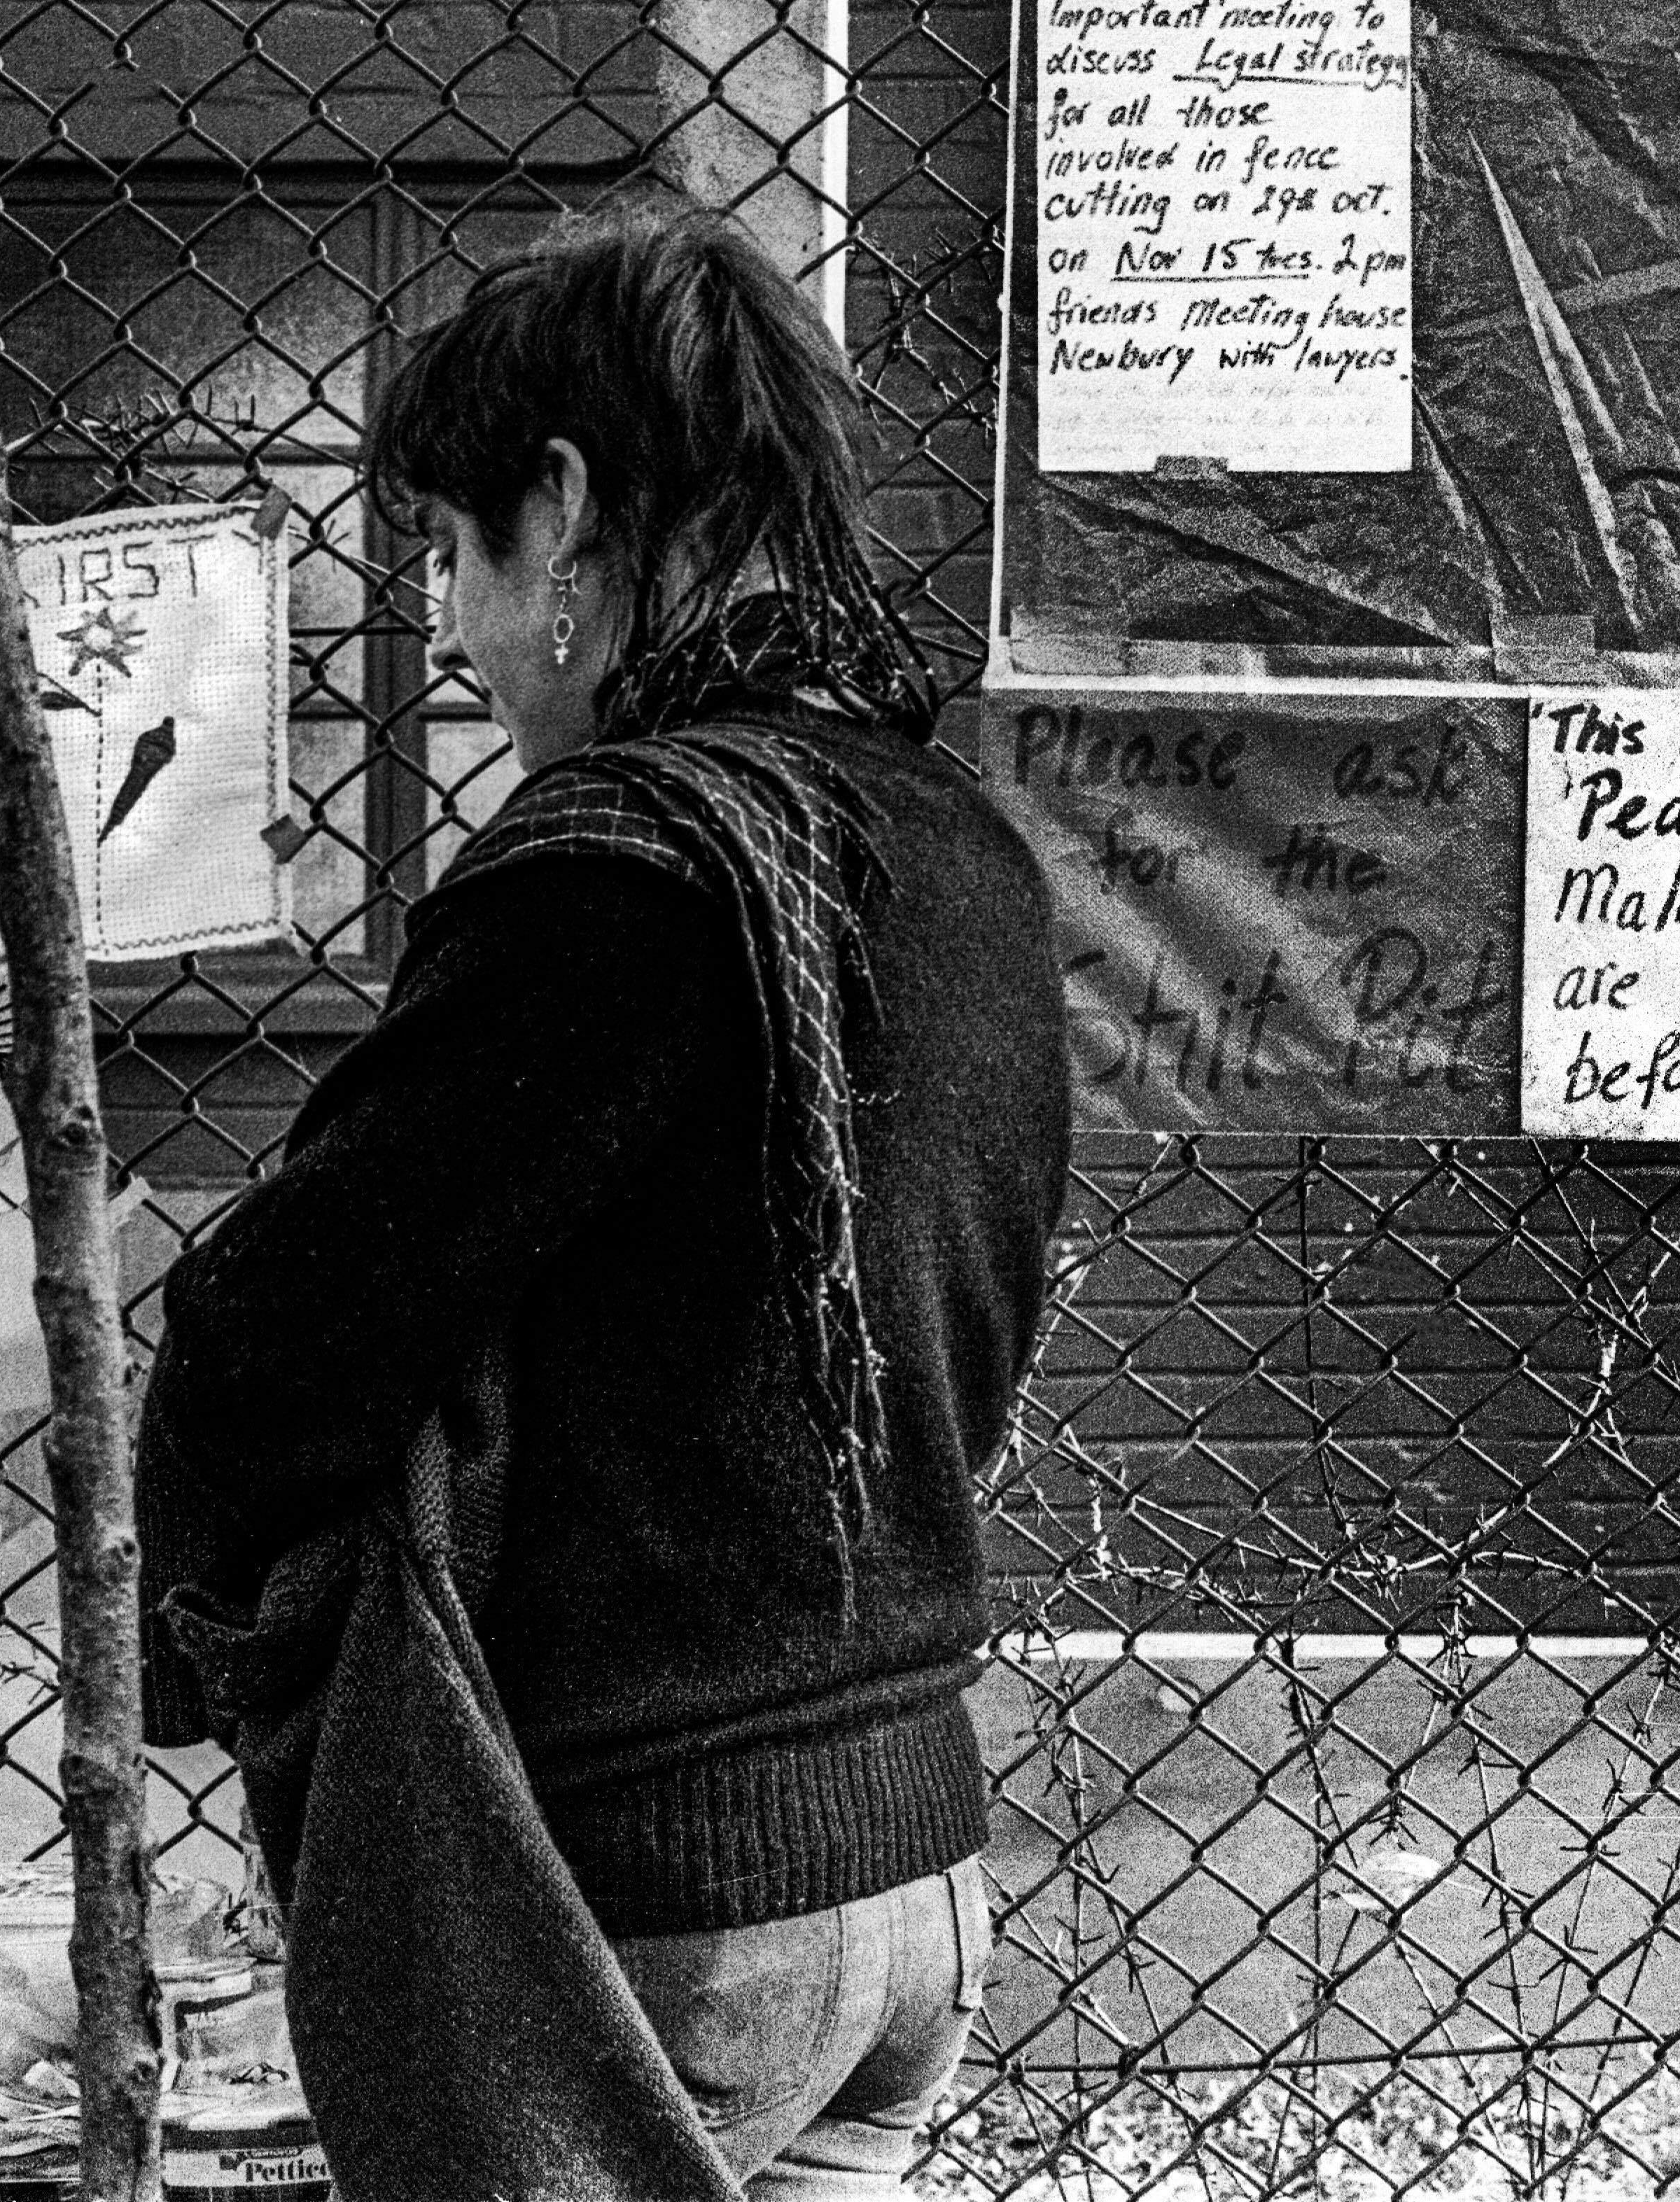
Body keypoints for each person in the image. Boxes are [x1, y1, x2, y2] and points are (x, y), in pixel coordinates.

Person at [136, 204, 1072, 2196]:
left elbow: (284, 1327)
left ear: (560, 514)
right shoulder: (957, 845)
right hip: (911, 1876)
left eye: (454, 559)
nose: (462, 645)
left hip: (646, 1898)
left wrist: (181, 1665)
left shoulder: (626, 870)